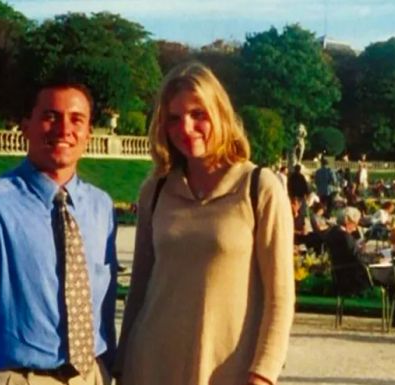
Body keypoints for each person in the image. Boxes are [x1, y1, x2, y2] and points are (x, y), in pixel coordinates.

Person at [116, 62, 294, 385]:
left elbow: (280, 296)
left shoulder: (258, 188)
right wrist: (122, 364)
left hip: (228, 370)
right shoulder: (155, 191)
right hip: (151, 366)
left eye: (198, 114)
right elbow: (139, 288)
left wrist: (263, 373)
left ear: (220, 113)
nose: (186, 127)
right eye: (174, 118)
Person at [0, 79, 118, 385]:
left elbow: (104, 307)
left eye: (77, 120)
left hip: (92, 376)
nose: (64, 130)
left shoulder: (100, 207)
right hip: (23, 377)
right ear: (26, 125)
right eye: (50, 116)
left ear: (89, 132)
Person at [324, 207, 395, 327]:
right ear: (348, 221)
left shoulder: (332, 233)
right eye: (355, 223)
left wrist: (371, 256)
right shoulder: (345, 236)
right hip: (354, 277)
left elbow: (353, 255)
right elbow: (359, 258)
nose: (356, 226)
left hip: (341, 275)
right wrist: (376, 258)